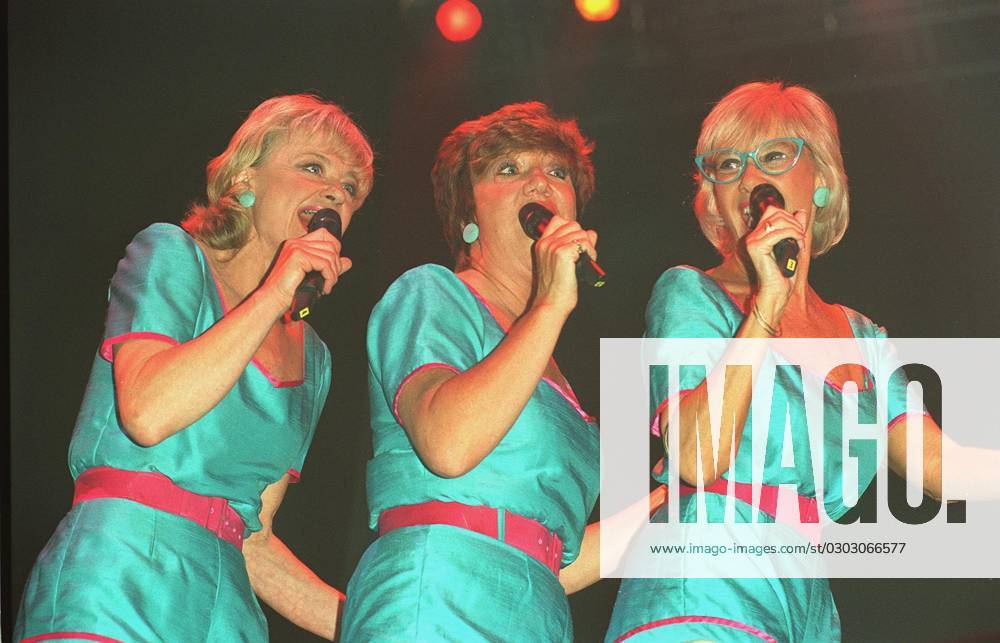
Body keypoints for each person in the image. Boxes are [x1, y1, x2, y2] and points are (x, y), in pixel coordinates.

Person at [15, 94, 373, 641]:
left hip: (223, 609)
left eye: (350, 188)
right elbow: (148, 412)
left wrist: (380, 626)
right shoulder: (171, 254)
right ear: (245, 178)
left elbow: (254, 538)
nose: (334, 192)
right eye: (312, 167)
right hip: (118, 577)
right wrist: (276, 290)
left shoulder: (315, 359)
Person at [605, 81, 955, 642]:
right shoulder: (691, 294)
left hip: (804, 602)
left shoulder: (862, 336)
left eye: (772, 156)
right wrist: (766, 307)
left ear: (820, 181)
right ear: (715, 201)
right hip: (704, 588)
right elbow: (695, 457)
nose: (750, 179)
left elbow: (940, 468)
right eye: (727, 165)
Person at [340, 102, 601, 641]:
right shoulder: (434, 292)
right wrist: (551, 306)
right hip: (438, 594)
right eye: (509, 170)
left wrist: (681, 496)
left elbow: (550, 551)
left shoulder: (547, 358)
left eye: (557, 172)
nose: (539, 182)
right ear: (468, 216)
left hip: (538, 613)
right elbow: (448, 443)